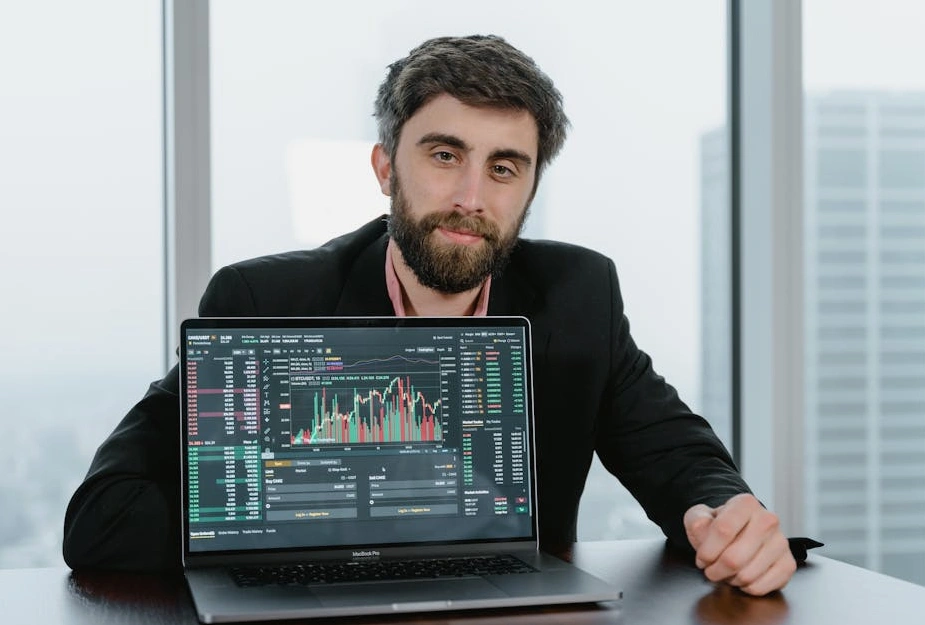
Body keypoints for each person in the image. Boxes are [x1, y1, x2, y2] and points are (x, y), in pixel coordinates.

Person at [64, 34, 798, 596]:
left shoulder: (579, 295)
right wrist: (345, 524)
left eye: (504, 167)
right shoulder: (265, 303)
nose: (472, 196)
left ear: (531, 184)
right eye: (445, 155)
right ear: (386, 167)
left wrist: (727, 514)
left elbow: (681, 459)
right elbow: (103, 517)